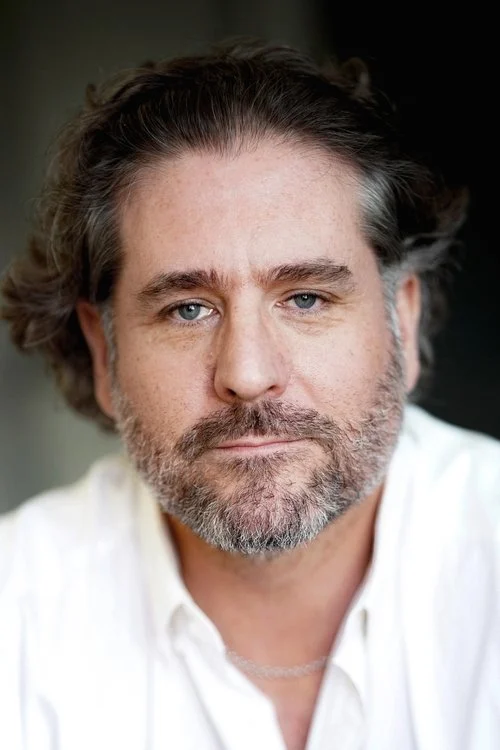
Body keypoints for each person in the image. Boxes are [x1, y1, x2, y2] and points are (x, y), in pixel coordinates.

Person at [0, 39, 498, 750]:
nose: (247, 372)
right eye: (188, 309)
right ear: (105, 355)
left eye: (306, 297)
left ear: (404, 321)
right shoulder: (15, 614)